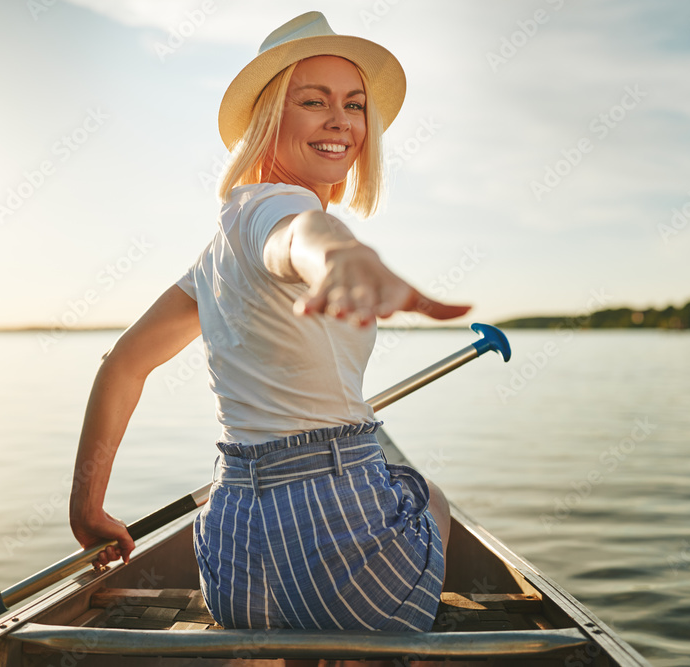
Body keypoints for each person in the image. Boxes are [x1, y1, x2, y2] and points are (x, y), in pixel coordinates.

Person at [68, 11, 470, 632]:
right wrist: (344, 258)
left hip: (234, 563)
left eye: (354, 104)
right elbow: (302, 238)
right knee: (429, 498)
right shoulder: (283, 209)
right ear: (269, 117)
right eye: (314, 101)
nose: (341, 121)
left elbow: (122, 364)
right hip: (342, 549)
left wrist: (87, 508)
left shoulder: (217, 250)